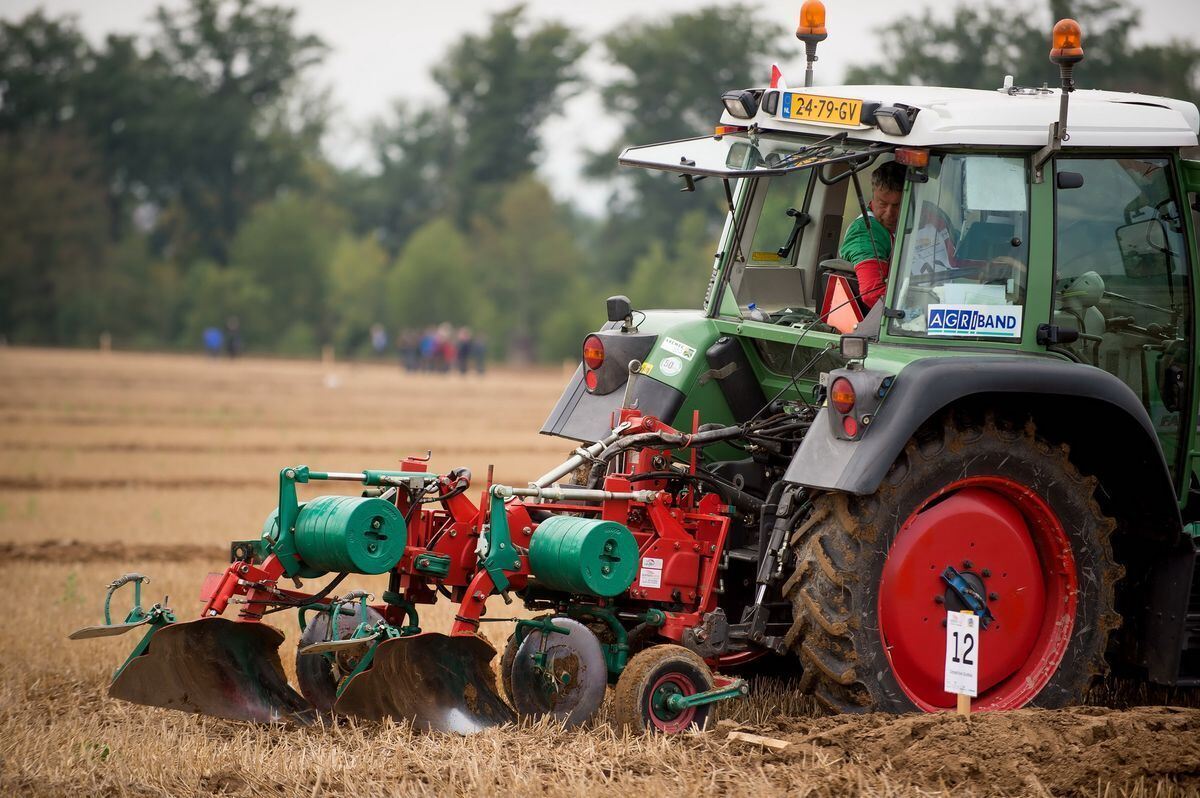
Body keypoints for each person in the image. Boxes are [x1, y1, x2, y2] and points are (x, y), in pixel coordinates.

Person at [839, 160, 906, 307]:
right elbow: (873, 294)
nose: (889, 213)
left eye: (897, 205)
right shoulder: (864, 233)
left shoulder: (931, 217)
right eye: (882, 203)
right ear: (873, 196)